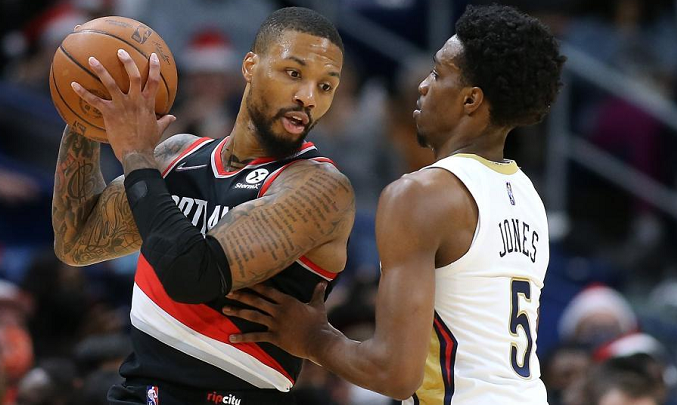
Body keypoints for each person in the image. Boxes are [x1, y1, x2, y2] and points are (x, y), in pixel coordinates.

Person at [224, 4, 566, 404]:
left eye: (438, 74)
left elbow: (395, 373)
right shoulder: (527, 197)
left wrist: (313, 337)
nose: (422, 85)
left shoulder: (422, 194)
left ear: (471, 99)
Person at [51, 7, 354, 405]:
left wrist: (137, 156)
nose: (308, 97)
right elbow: (76, 242)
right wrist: (89, 108)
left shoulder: (320, 188)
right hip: (139, 392)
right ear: (250, 66)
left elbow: (193, 277)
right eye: (293, 73)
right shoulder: (177, 155)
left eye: (326, 86)